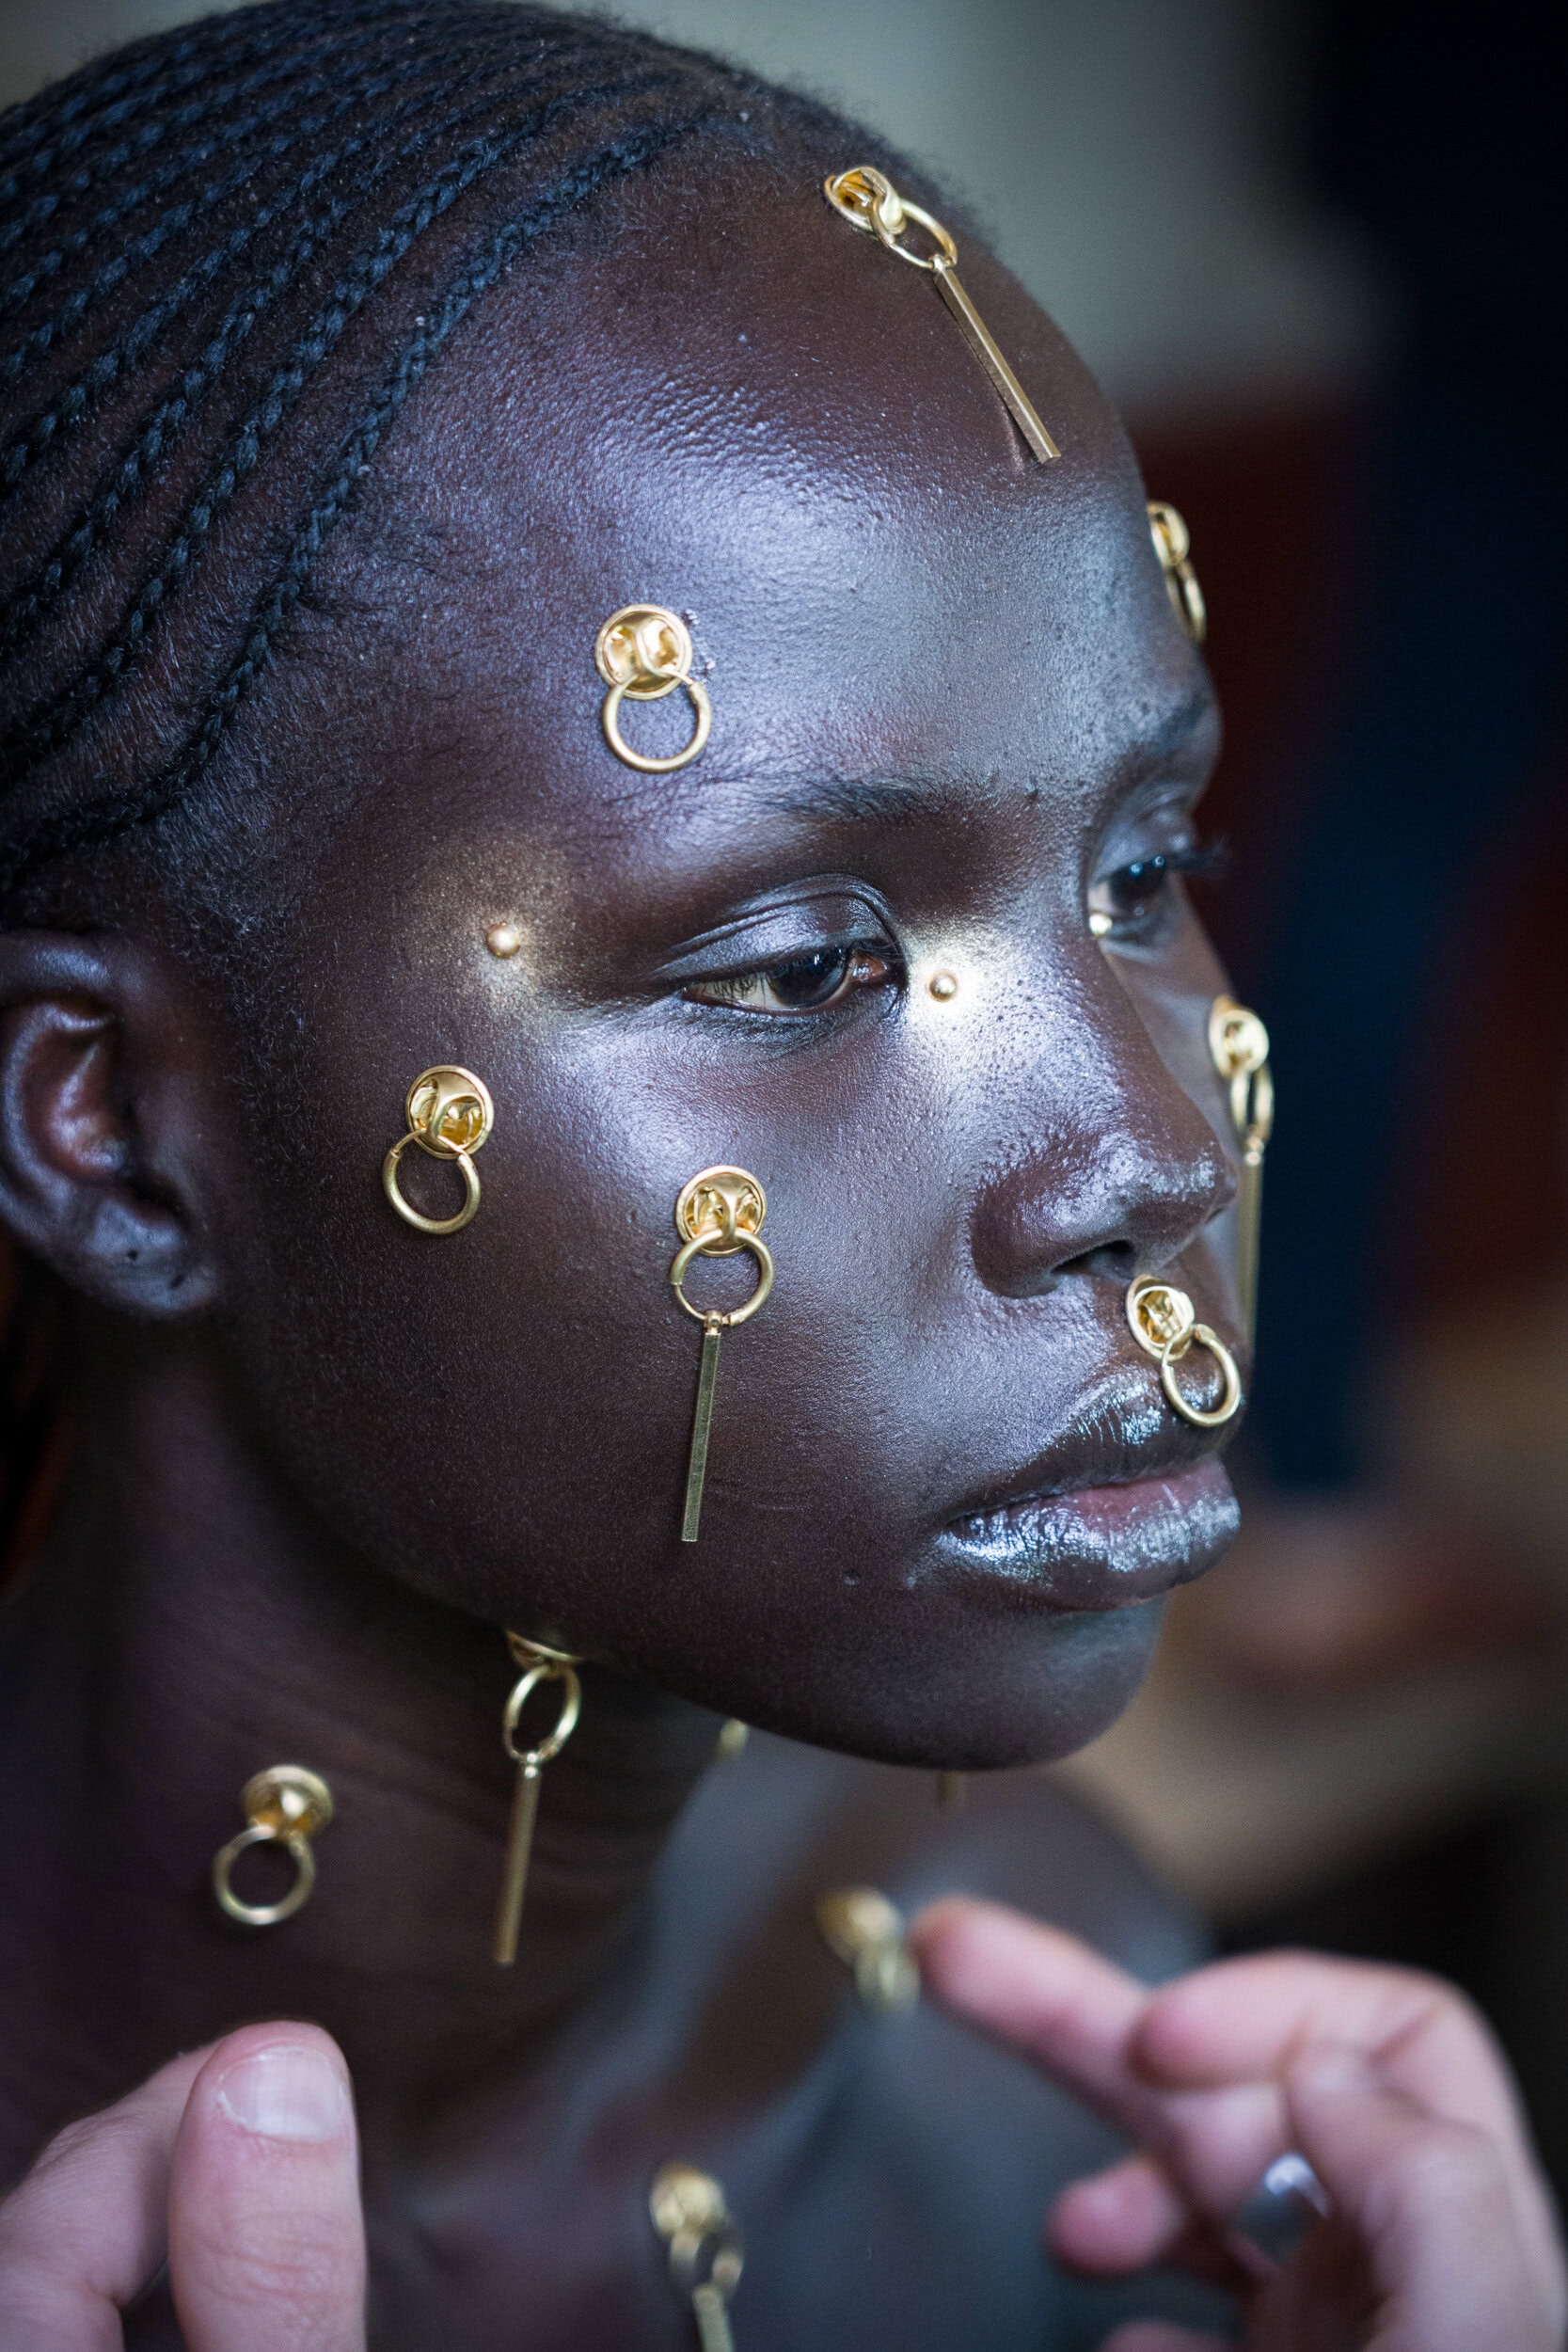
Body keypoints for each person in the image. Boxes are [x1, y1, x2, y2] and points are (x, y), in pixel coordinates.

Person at [0, 5, 1559, 2345]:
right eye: (808, 964)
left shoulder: (1050, 2090)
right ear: (113, 1126)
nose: (1149, 1156)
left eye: (1148, 868)